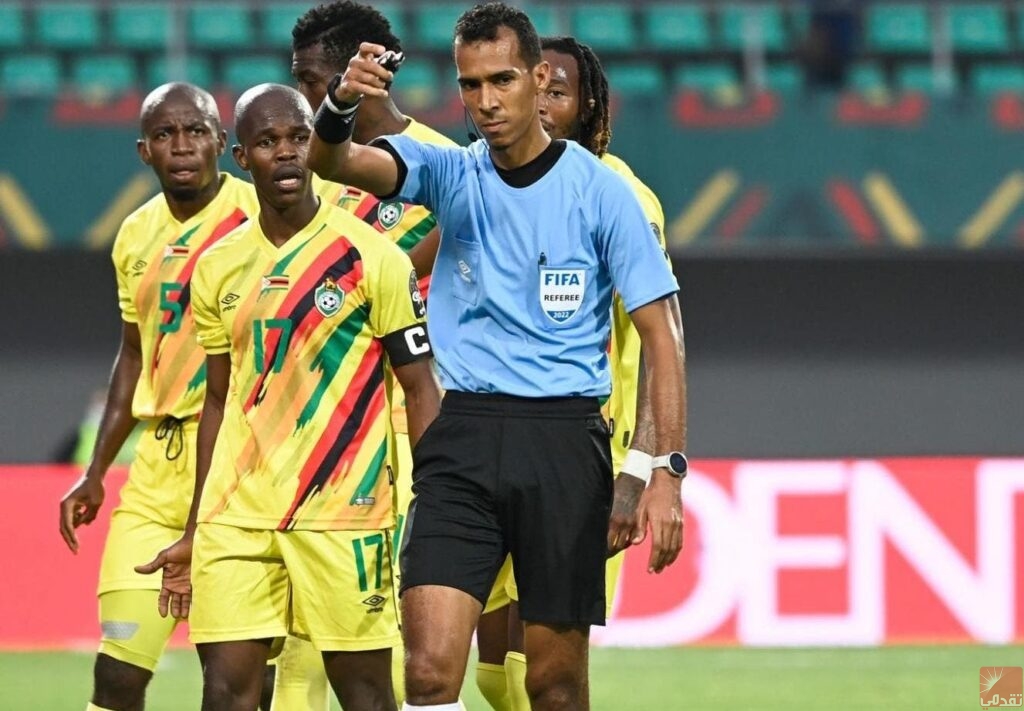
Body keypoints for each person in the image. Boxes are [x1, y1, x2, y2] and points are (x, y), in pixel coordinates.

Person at [307, 4, 687, 710]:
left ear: (538, 77)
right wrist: (339, 103)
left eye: (503, 80)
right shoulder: (451, 174)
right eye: (471, 84)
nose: (486, 101)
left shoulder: (603, 192)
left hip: (564, 442)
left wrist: (662, 471)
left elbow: (662, 336)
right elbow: (331, 159)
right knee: (426, 674)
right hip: (463, 440)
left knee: (553, 684)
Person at [136, 83, 441, 711]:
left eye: (299, 138)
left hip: (343, 514)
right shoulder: (218, 266)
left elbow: (419, 385)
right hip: (236, 515)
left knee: (364, 694)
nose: (287, 154)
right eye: (268, 142)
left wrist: (437, 503)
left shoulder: (374, 257)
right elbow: (218, 400)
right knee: (226, 692)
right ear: (241, 159)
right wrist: (197, 524)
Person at [474, 34, 683, 711]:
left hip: (584, 461)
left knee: (545, 674)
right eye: (535, 89)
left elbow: (660, 341)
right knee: (488, 671)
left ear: (589, 106)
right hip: (495, 452)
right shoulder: (495, 184)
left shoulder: (623, 195)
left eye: (558, 91)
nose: (542, 105)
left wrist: (644, 466)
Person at [57, 82, 260, 711]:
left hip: (238, 464)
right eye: (166, 135)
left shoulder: (261, 217)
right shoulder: (134, 235)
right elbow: (134, 354)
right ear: (144, 151)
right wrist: (94, 471)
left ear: (222, 144)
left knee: (230, 684)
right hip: (157, 467)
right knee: (117, 676)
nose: (182, 146)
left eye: (196, 130)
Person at [288, 4, 468, 704]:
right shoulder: (296, 171)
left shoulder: (446, 167)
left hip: (407, 428)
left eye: (310, 80)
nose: (304, 98)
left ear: (357, 73)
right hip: (313, 435)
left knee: (414, 654)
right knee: (300, 648)